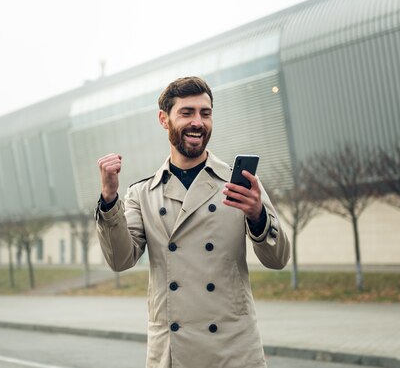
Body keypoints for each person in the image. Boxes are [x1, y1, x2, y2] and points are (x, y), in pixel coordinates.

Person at [96, 76, 290, 368]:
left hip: (234, 352)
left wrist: (258, 215)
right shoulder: (143, 193)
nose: (198, 122)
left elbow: (278, 259)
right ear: (164, 119)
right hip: (173, 353)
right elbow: (120, 260)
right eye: (187, 113)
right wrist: (109, 199)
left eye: (205, 113)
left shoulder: (239, 183)